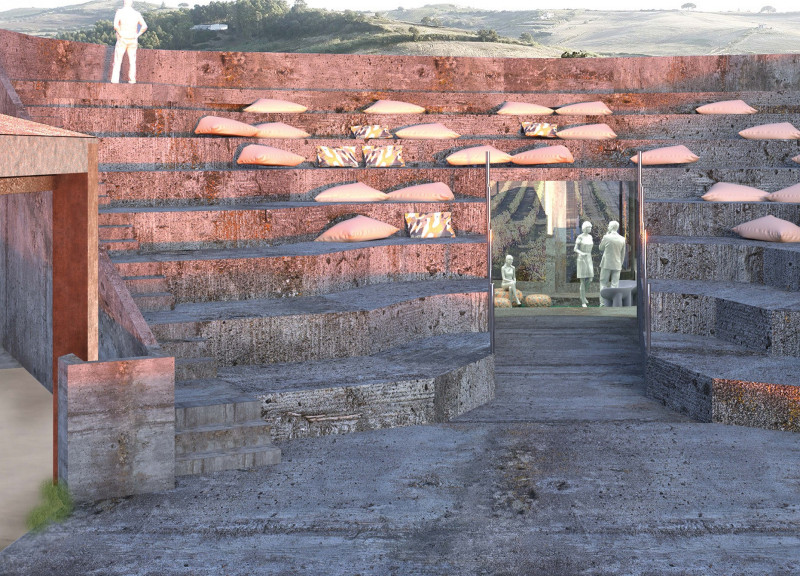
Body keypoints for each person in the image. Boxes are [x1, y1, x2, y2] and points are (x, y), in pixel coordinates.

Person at [111, 0, 147, 84]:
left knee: (117, 60)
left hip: (122, 38)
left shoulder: (120, 12)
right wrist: (137, 35)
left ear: (124, 2)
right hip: (133, 39)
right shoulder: (136, 14)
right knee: (132, 60)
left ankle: (115, 79)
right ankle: (132, 79)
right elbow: (144, 26)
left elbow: (115, 25)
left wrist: (120, 33)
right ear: (131, 3)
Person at [598, 220, 626, 306]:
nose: (608, 227)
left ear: (612, 227)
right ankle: (612, 303)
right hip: (617, 264)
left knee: (603, 283)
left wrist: (605, 236)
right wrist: (620, 264)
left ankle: (602, 303)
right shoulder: (622, 239)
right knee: (615, 284)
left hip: (606, 264)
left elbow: (600, 248)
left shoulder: (606, 237)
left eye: (609, 226)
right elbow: (623, 254)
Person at [574, 221, 593, 307]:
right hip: (582, 258)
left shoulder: (590, 237)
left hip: (589, 258)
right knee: (582, 280)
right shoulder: (580, 237)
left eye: (590, 227)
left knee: (590, 279)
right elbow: (575, 249)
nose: (590, 229)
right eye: (589, 227)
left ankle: (583, 295)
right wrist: (581, 253)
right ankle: (583, 301)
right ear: (585, 228)